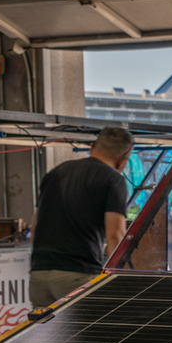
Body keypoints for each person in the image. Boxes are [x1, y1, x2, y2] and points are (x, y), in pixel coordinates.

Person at [29, 126, 134, 307]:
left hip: (39, 275)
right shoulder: (113, 179)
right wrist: (120, 281)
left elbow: (35, 228)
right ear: (122, 163)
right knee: (86, 334)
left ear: (91, 147)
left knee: (44, 334)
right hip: (77, 276)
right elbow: (115, 235)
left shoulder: (55, 173)